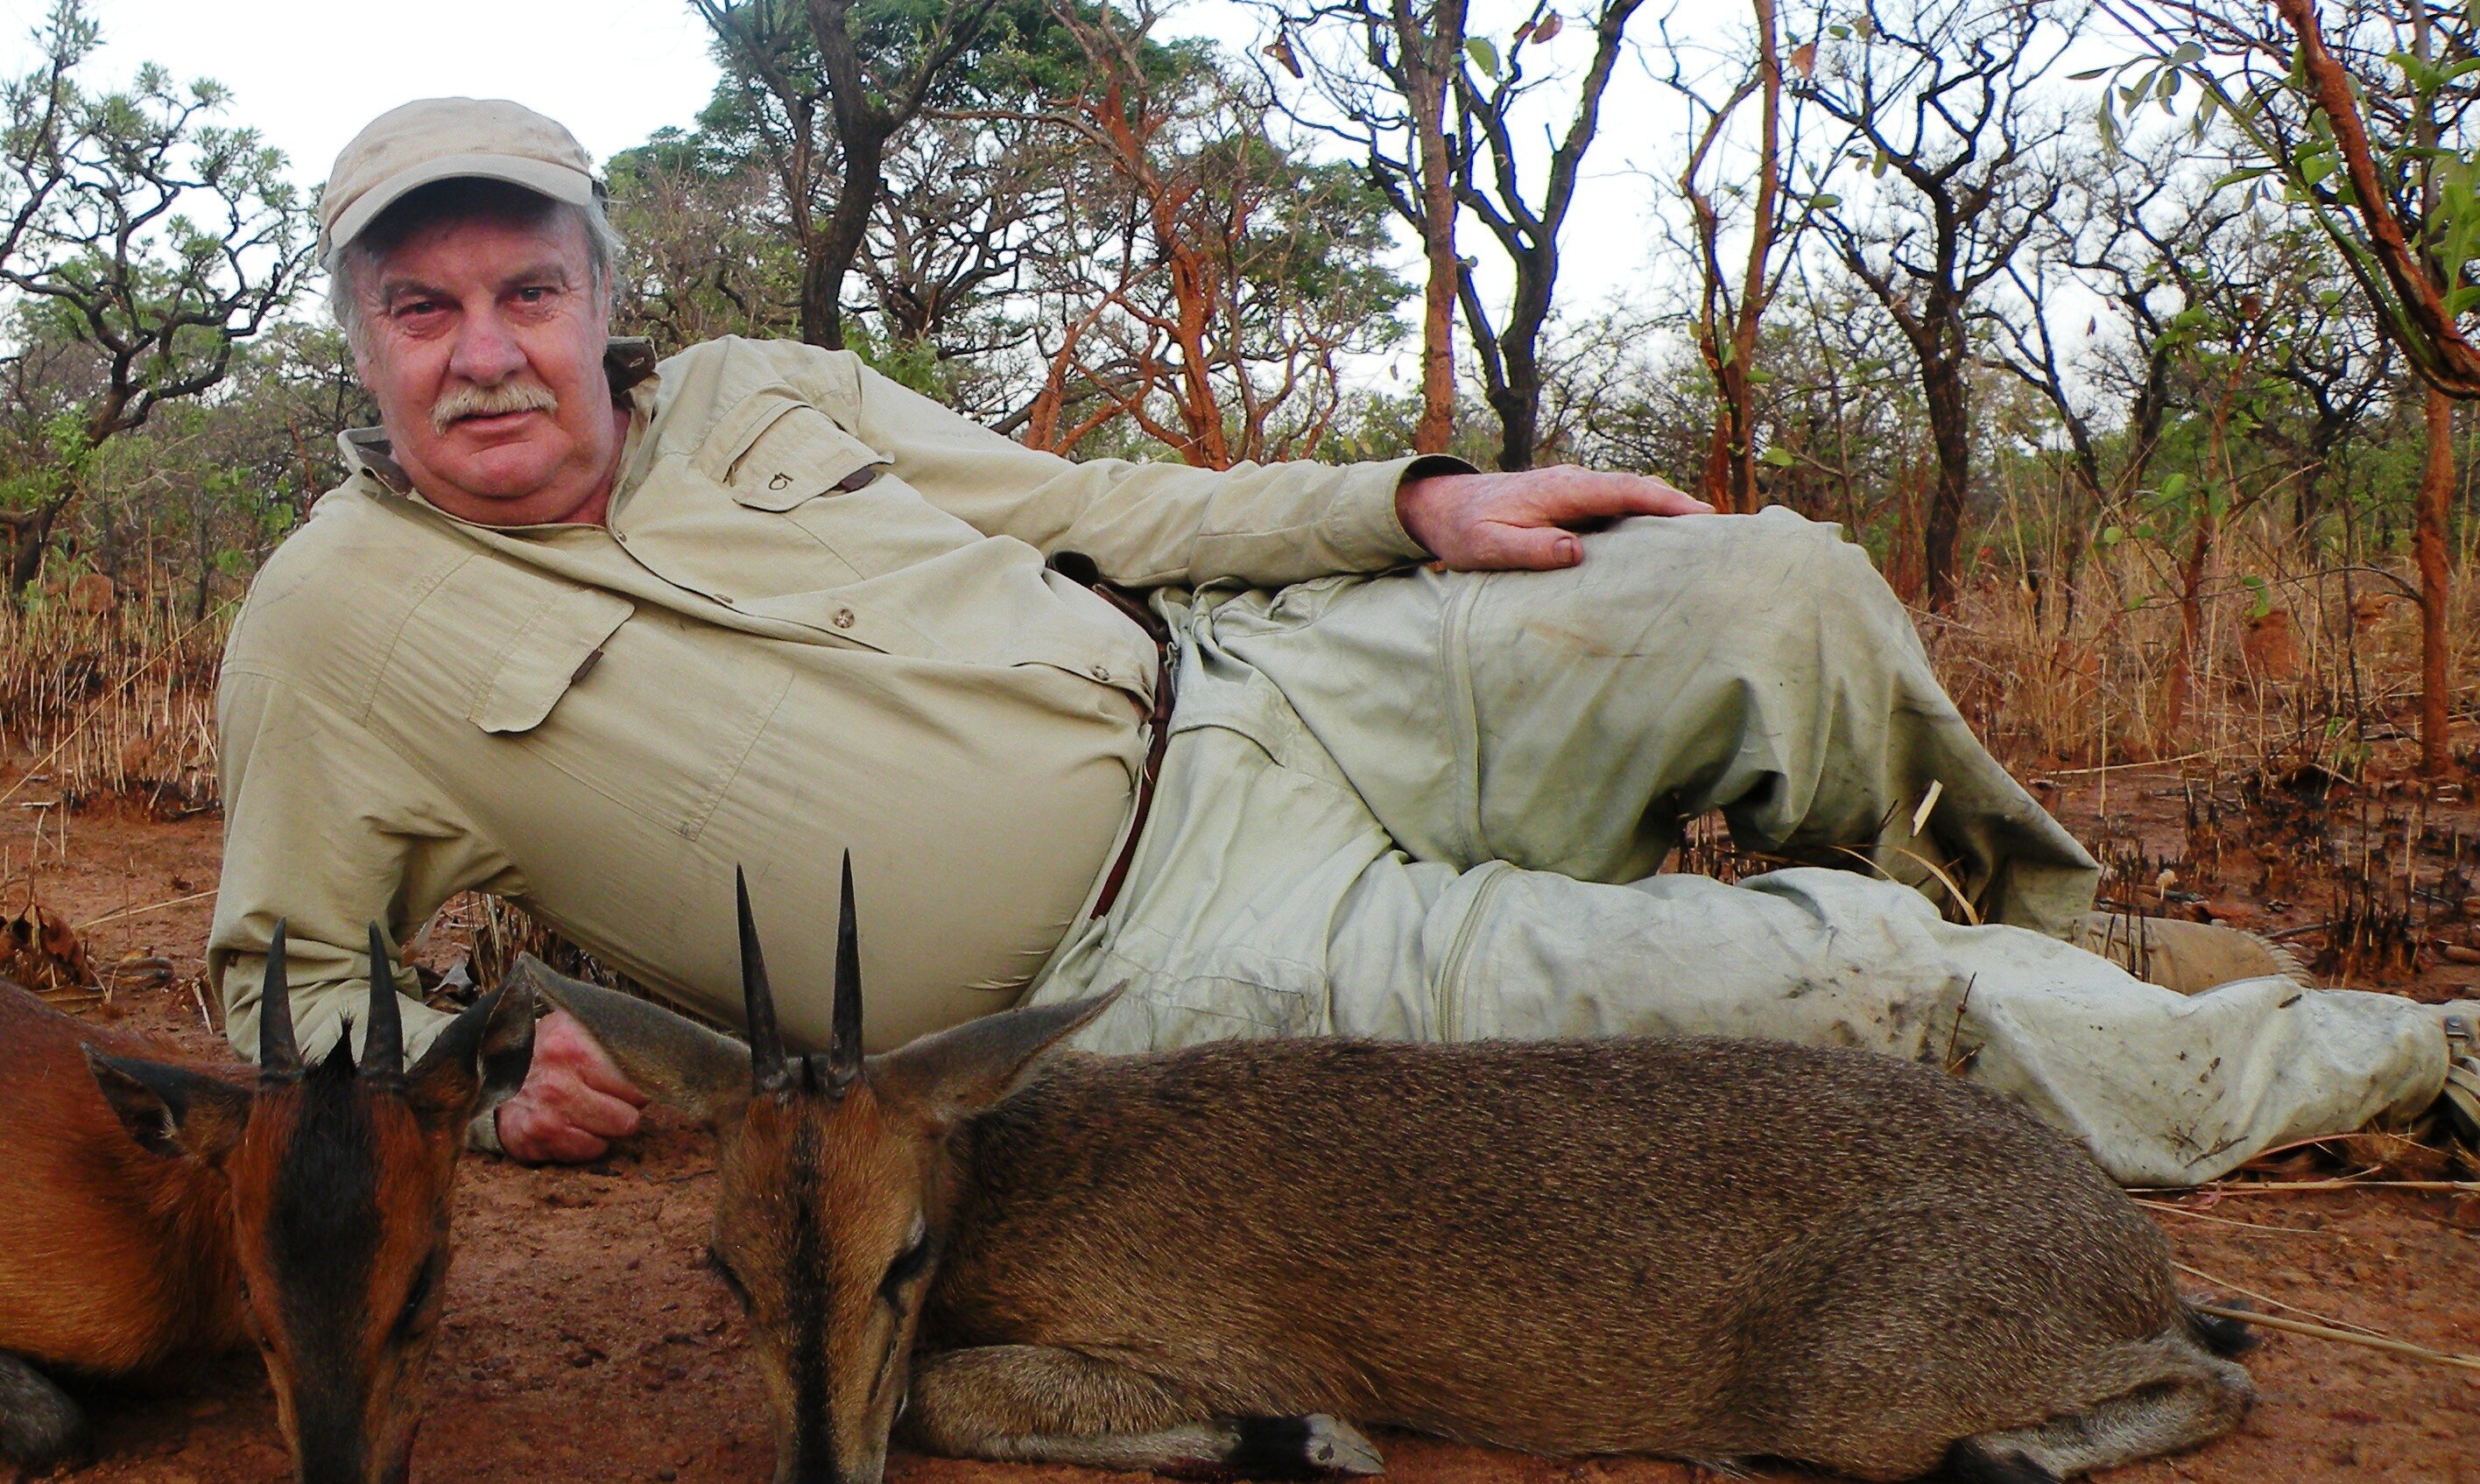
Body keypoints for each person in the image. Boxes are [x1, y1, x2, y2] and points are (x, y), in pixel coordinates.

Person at [208, 97, 2480, 1189]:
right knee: (1827, 992)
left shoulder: (759, 396)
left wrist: (1408, 504)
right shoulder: (333, 623)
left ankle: (2084, 939)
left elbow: (1100, 514)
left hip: (1278, 686)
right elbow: (279, 978)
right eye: (424, 309)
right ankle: (2409, 1058)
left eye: (528, 293)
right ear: (366, 345)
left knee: (1772, 582)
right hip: (1177, 959)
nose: (485, 352)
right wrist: (483, 1071)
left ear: (607, 300)